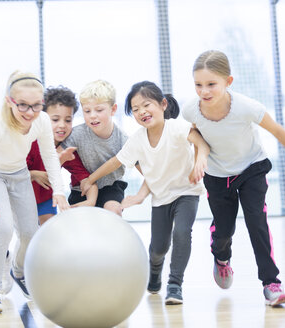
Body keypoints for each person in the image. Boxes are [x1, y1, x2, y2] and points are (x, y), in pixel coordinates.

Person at [182, 50, 285, 307]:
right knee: (224, 230)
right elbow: (191, 133)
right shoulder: (191, 109)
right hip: (217, 174)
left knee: (256, 221)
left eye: (211, 84)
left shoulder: (246, 107)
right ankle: (221, 259)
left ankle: (271, 284)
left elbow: (277, 130)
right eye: (198, 85)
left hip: (251, 168)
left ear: (228, 82)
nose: (204, 91)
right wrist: (198, 158)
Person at [81, 81, 211, 305]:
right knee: (159, 247)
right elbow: (115, 162)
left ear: (162, 104)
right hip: (160, 198)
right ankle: (155, 268)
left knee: (182, 233)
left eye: (146, 105)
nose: (142, 112)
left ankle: (174, 285)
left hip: (187, 193)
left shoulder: (176, 127)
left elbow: (200, 141)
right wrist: (90, 179)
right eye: (136, 109)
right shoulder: (138, 140)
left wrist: (200, 159)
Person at [0, 71, 69, 313]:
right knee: (2, 229)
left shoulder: (42, 121)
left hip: (20, 174)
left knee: (30, 233)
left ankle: (18, 272)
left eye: (36, 105)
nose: (30, 112)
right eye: (23, 105)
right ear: (9, 101)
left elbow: (49, 157)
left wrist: (59, 190)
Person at [27, 86, 98, 225]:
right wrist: (35, 174)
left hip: (46, 199)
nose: (62, 125)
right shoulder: (31, 142)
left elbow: (85, 178)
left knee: (48, 230)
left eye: (67, 120)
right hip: (22, 198)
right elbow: (14, 173)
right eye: (55, 119)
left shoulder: (67, 147)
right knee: (26, 235)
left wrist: (90, 201)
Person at [60, 79, 128, 216]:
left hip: (111, 186)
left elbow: (141, 165)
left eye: (99, 110)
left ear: (113, 109)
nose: (92, 116)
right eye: (87, 111)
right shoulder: (76, 134)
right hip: (81, 189)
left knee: (113, 211)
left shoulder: (123, 139)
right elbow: (56, 156)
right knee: (78, 219)